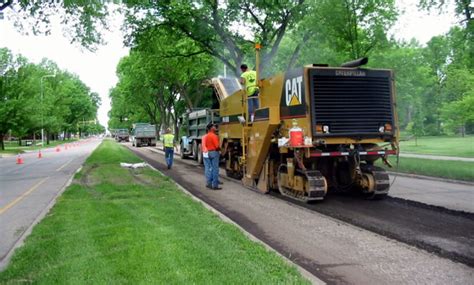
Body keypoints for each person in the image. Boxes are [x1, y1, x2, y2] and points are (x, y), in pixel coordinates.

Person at [205, 123, 221, 190]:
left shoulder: (207, 136)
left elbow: (206, 144)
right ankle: (215, 185)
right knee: (215, 169)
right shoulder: (214, 136)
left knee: (211, 169)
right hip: (214, 153)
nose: (215, 127)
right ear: (211, 128)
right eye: (214, 126)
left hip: (209, 152)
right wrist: (221, 151)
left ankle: (209, 183)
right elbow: (217, 146)